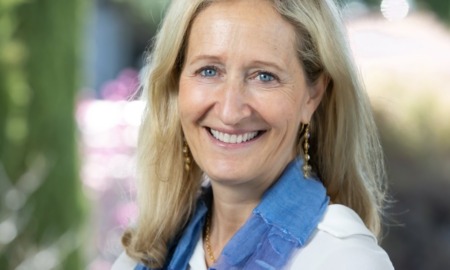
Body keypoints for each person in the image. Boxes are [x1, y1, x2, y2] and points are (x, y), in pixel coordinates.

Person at [113, 0, 394, 269]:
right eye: (209, 70)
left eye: (264, 76)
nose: (230, 112)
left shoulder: (343, 258)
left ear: (313, 95)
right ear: (176, 86)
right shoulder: (147, 254)